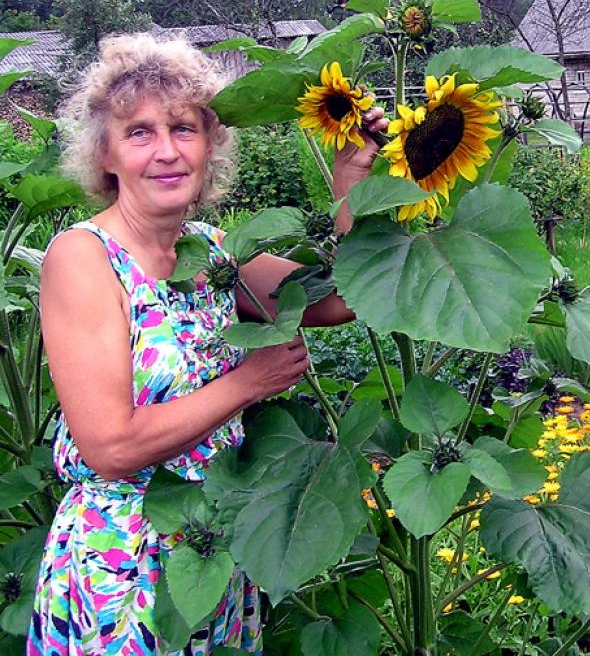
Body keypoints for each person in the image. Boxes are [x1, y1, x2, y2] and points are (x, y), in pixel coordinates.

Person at [27, 32, 386, 655]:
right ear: (106, 153)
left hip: (214, 547)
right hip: (122, 565)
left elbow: (340, 298)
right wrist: (249, 382)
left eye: (184, 129)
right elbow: (110, 446)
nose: (167, 151)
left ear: (209, 144)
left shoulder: (210, 251)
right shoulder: (84, 259)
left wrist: (350, 179)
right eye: (140, 133)